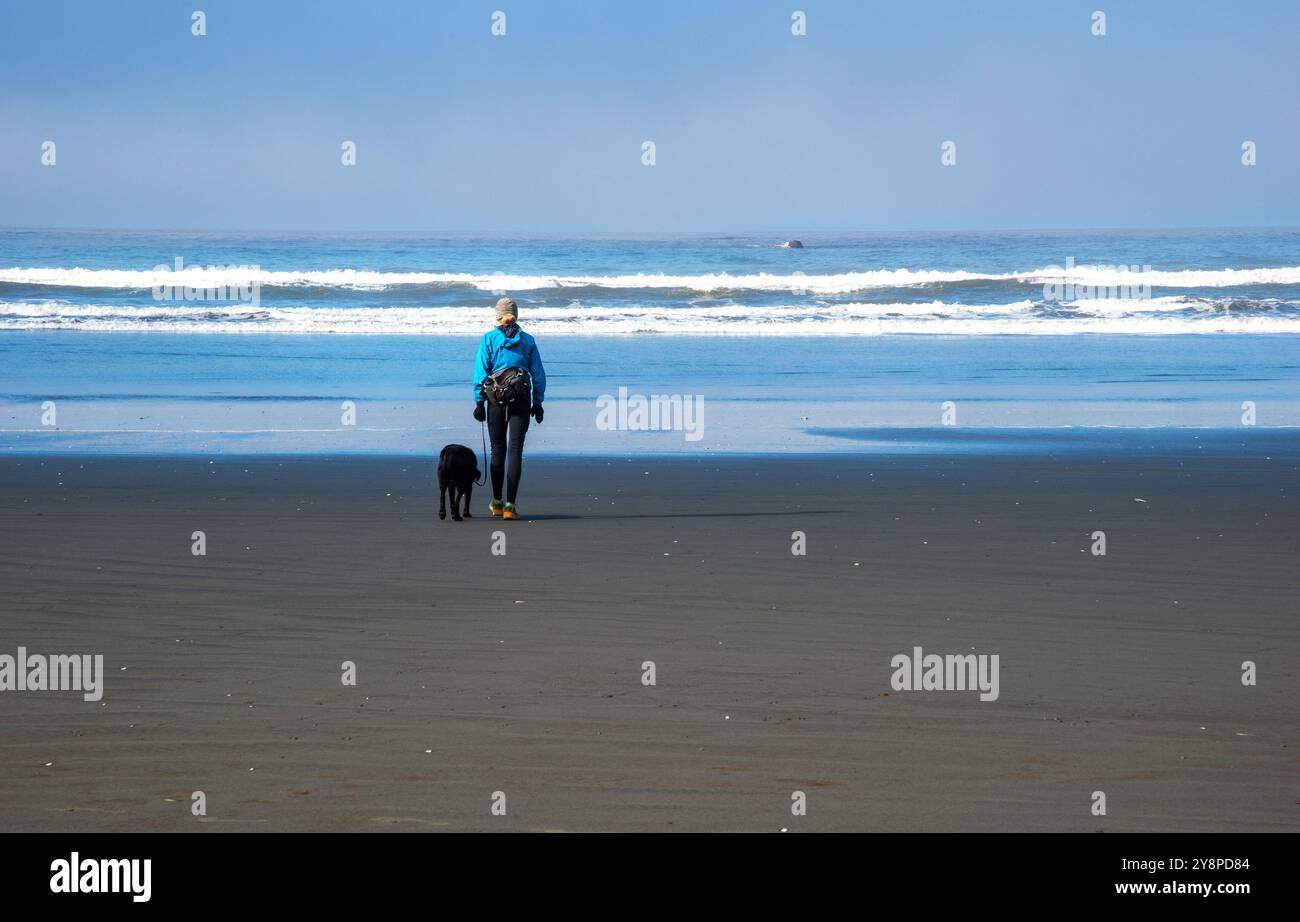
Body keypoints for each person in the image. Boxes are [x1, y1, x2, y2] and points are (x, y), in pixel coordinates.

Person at [472, 297, 545, 520]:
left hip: (495, 401)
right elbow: (538, 375)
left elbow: (480, 373)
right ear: (516, 315)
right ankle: (510, 506)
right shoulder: (528, 341)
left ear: (497, 316)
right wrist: (538, 402)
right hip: (521, 400)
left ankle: (496, 502)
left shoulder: (488, 339)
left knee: (497, 449)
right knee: (515, 452)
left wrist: (479, 402)